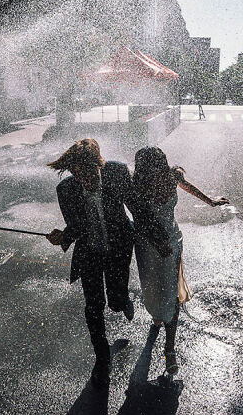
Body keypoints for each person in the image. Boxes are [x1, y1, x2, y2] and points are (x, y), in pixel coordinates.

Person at [46, 139, 167, 388]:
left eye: (90, 172)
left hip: (118, 248)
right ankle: (102, 359)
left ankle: (123, 300)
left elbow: (138, 209)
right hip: (89, 253)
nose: (86, 179)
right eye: (78, 174)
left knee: (114, 301)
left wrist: (158, 238)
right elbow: (76, 226)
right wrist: (62, 236)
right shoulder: (66, 190)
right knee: (93, 306)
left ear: (99, 164)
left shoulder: (116, 172)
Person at [132, 147, 228, 376]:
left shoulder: (172, 175)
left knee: (172, 292)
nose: (157, 171)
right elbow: (137, 217)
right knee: (152, 288)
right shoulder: (136, 186)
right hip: (146, 245)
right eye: (151, 168)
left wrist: (210, 201)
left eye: (160, 165)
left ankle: (170, 348)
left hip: (172, 241)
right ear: (144, 170)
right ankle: (157, 316)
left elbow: (187, 186)